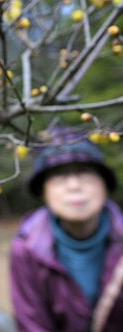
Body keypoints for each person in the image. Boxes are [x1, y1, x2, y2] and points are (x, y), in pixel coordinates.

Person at [9, 127, 123, 332]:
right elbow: (32, 324)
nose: (74, 186)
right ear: (44, 191)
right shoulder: (27, 248)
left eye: (85, 173)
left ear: (105, 184)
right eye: (60, 176)